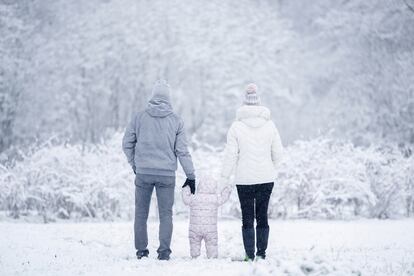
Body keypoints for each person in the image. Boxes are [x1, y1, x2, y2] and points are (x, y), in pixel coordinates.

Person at [122, 80, 196, 261]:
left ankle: (141, 251)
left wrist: (135, 164)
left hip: (143, 173)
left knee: (141, 213)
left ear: (153, 97)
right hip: (166, 175)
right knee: (165, 214)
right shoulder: (176, 120)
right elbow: (182, 151)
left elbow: (126, 144)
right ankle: (164, 252)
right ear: (168, 98)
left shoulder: (139, 117)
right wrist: (191, 175)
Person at [220, 83, 283, 261]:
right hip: (266, 178)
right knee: (262, 216)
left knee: (247, 217)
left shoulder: (236, 127)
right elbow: (279, 154)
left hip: (244, 179)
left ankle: (249, 254)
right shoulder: (270, 126)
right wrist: (271, 167)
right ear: (259, 103)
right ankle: (261, 254)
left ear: (244, 104)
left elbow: (230, 156)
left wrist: (223, 178)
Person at [181, 175, 231, 259]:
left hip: (195, 228)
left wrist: (186, 188)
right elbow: (223, 198)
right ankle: (212, 257)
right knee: (212, 243)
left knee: (194, 242)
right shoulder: (215, 198)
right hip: (210, 230)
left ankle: (195, 256)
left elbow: (186, 199)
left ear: (200, 186)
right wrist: (227, 189)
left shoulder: (194, 198)